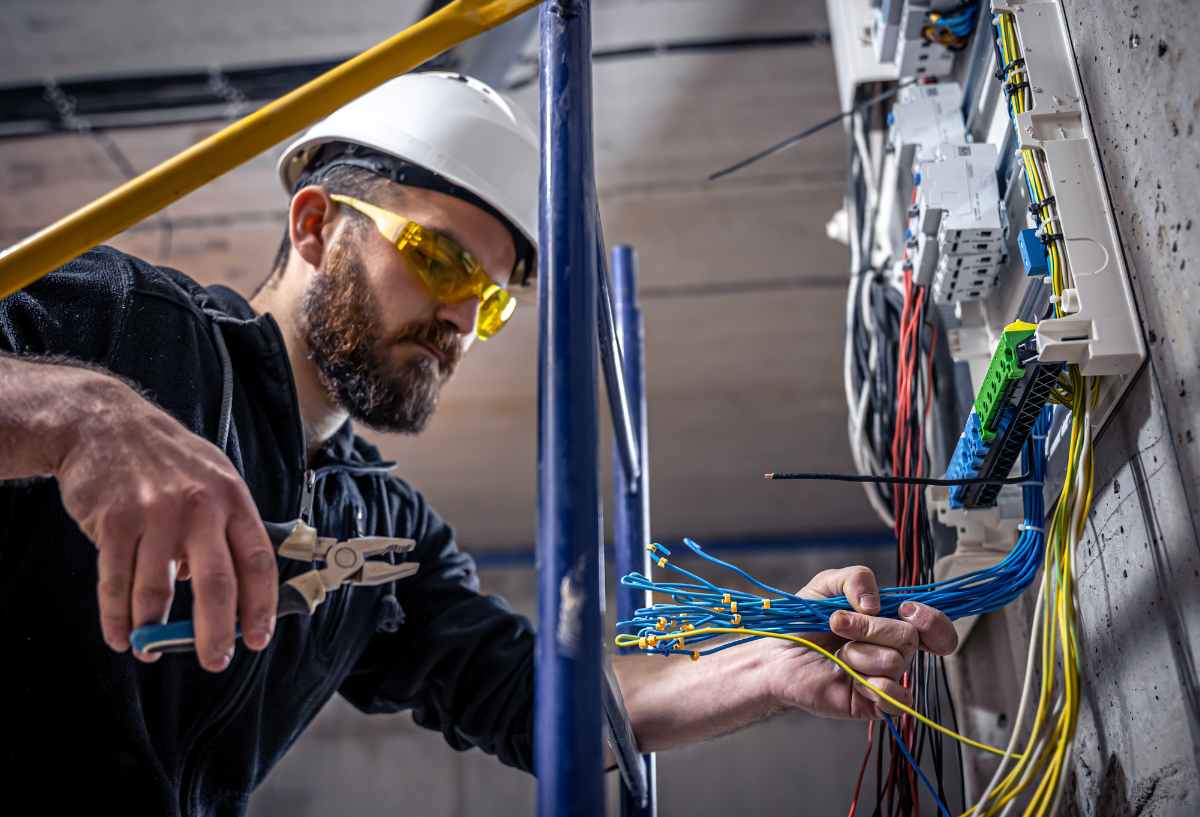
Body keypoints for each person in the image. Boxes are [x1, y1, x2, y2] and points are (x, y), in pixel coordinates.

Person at [0, 72, 955, 814]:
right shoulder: (130, 326)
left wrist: (771, 659)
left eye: (491, 299)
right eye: (440, 259)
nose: (462, 315)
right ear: (316, 225)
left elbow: (537, 699)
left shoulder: (384, 534)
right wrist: (78, 413)